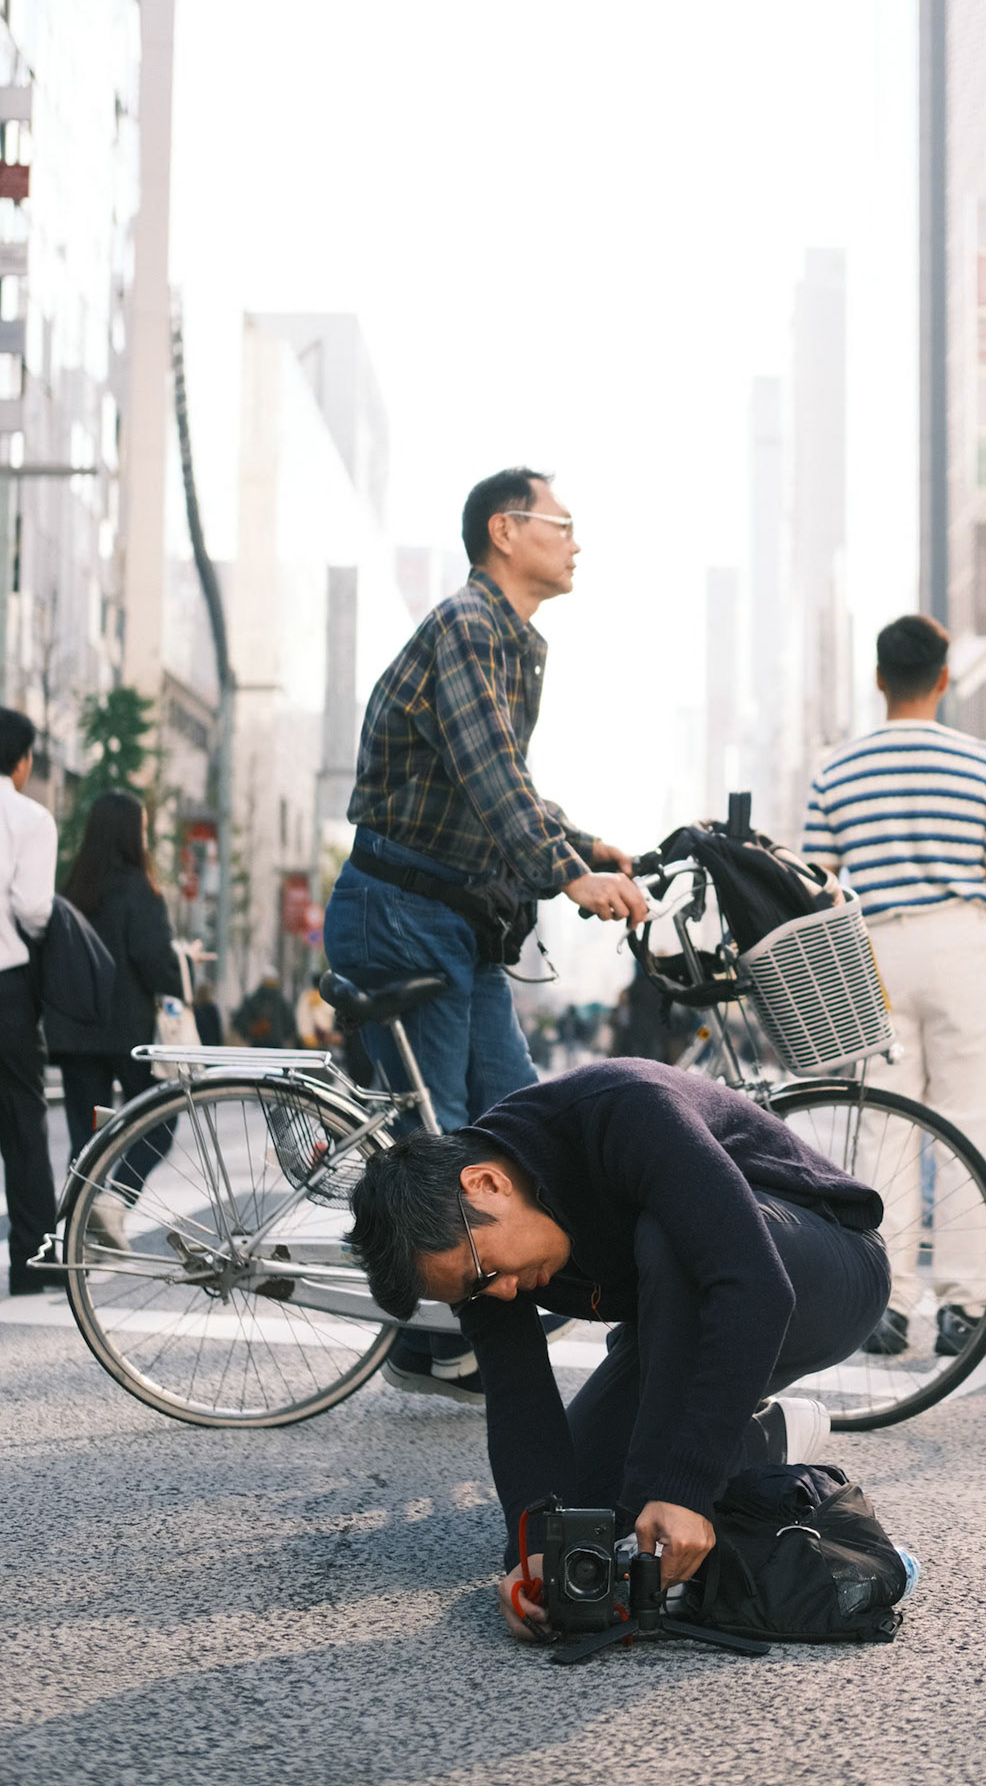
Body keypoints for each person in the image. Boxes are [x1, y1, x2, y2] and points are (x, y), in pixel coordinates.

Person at [344, 1058, 891, 1640]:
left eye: (485, 1273)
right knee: (582, 1513)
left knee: (666, 1245)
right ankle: (761, 1435)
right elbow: (516, 1393)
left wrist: (684, 1490)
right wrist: (532, 1561)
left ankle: (708, 1463)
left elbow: (753, 1288)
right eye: (473, 1293)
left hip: (824, 1265)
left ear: (487, 1184)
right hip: (682, 1316)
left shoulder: (626, 1110)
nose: (498, 1293)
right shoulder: (470, 1246)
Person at [323, 467, 646, 1402]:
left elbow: (502, 777)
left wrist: (582, 842)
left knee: (514, 1122)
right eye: (563, 524)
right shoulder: (469, 624)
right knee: (448, 1141)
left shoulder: (508, 639)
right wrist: (568, 873)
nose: (575, 541)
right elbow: (489, 774)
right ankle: (427, 1335)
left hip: (456, 918)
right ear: (507, 531)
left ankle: (465, 1327)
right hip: (404, 907)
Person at [802, 613, 986, 1362]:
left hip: (874, 949)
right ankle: (966, 1311)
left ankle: (883, 1307)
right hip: (964, 943)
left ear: (877, 679)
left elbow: (819, 887)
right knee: (966, 1122)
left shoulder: (835, 769)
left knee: (882, 1127)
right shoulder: (983, 764)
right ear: (943, 679)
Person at [47, 788, 196, 1247]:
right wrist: (182, 970)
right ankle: (116, 1202)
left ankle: (70, 1236)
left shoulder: (71, 891)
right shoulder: (139, 891)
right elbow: (154, 961)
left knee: (86, 1140)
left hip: (76, 1033)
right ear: (134, 835)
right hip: (127, 1034)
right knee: (159, 1119)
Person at [0, 708, 62, 1297]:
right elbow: (34, 909)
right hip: (7, 985)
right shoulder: (29, 817)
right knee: (22, 1120)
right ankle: (31, 1259)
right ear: (21, 762)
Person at [232, 972, 296, 1048]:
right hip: (277, 1045)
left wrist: (249, 1033)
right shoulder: (281, 1001)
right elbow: (290, 1024)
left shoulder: (253, 999)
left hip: (257, 1043)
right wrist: (281, 1035)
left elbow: (239, 1021)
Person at [294, 972, 337, 1049]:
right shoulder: (326, 997)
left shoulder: (305, 997)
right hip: (324, 1037)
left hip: (307, 1036)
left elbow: (300, 1015)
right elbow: (330, 1014)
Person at [192, 976, 225, 1048]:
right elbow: (217, 1030)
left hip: (200, 1042)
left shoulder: (196, 1009)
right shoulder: (212, 1008)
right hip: (212, 1044)